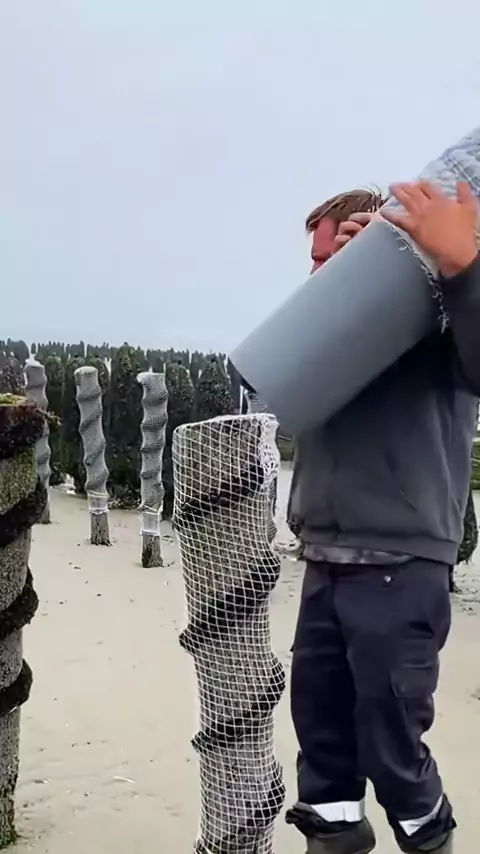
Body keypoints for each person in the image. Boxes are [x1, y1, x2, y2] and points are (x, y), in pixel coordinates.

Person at [285, 181, 480, 854]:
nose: (321, 270)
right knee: (323, 737)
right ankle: (333, 836)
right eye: (316, 259)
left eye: (335, 256)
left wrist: (456, 267)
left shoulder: (436, 320)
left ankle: (429, 838)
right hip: (324, 555)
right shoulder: (322, 334)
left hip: (401, 563)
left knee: (391, 737)